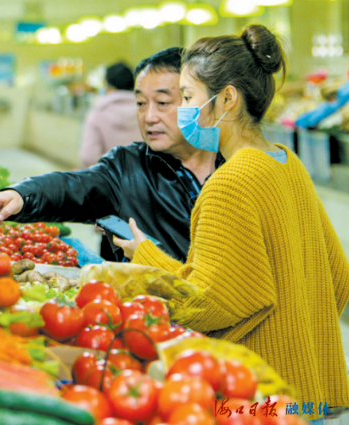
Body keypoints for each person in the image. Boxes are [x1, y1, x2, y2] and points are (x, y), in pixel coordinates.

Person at [114, 24, 349, 417]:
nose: (183, 109)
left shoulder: (231, 182)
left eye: (187, 97)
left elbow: (210, 302)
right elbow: (337, 275)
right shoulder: (288, 164)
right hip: (311, 387)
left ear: (226, 100)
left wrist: (146, 256)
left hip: (257, 397)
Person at [0, 47, 221, 262]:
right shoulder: (127, 167)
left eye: (163, 103)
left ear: (195, 101)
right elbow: (74, 186)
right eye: (140, 104)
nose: (149, 117)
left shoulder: (233, 165)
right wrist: (21, 195)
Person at [79, 62, 141, 168]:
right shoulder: (145, 111)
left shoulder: (98, 114)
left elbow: (88, 157)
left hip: (110, 179)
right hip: (145, 179)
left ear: (108, 85)